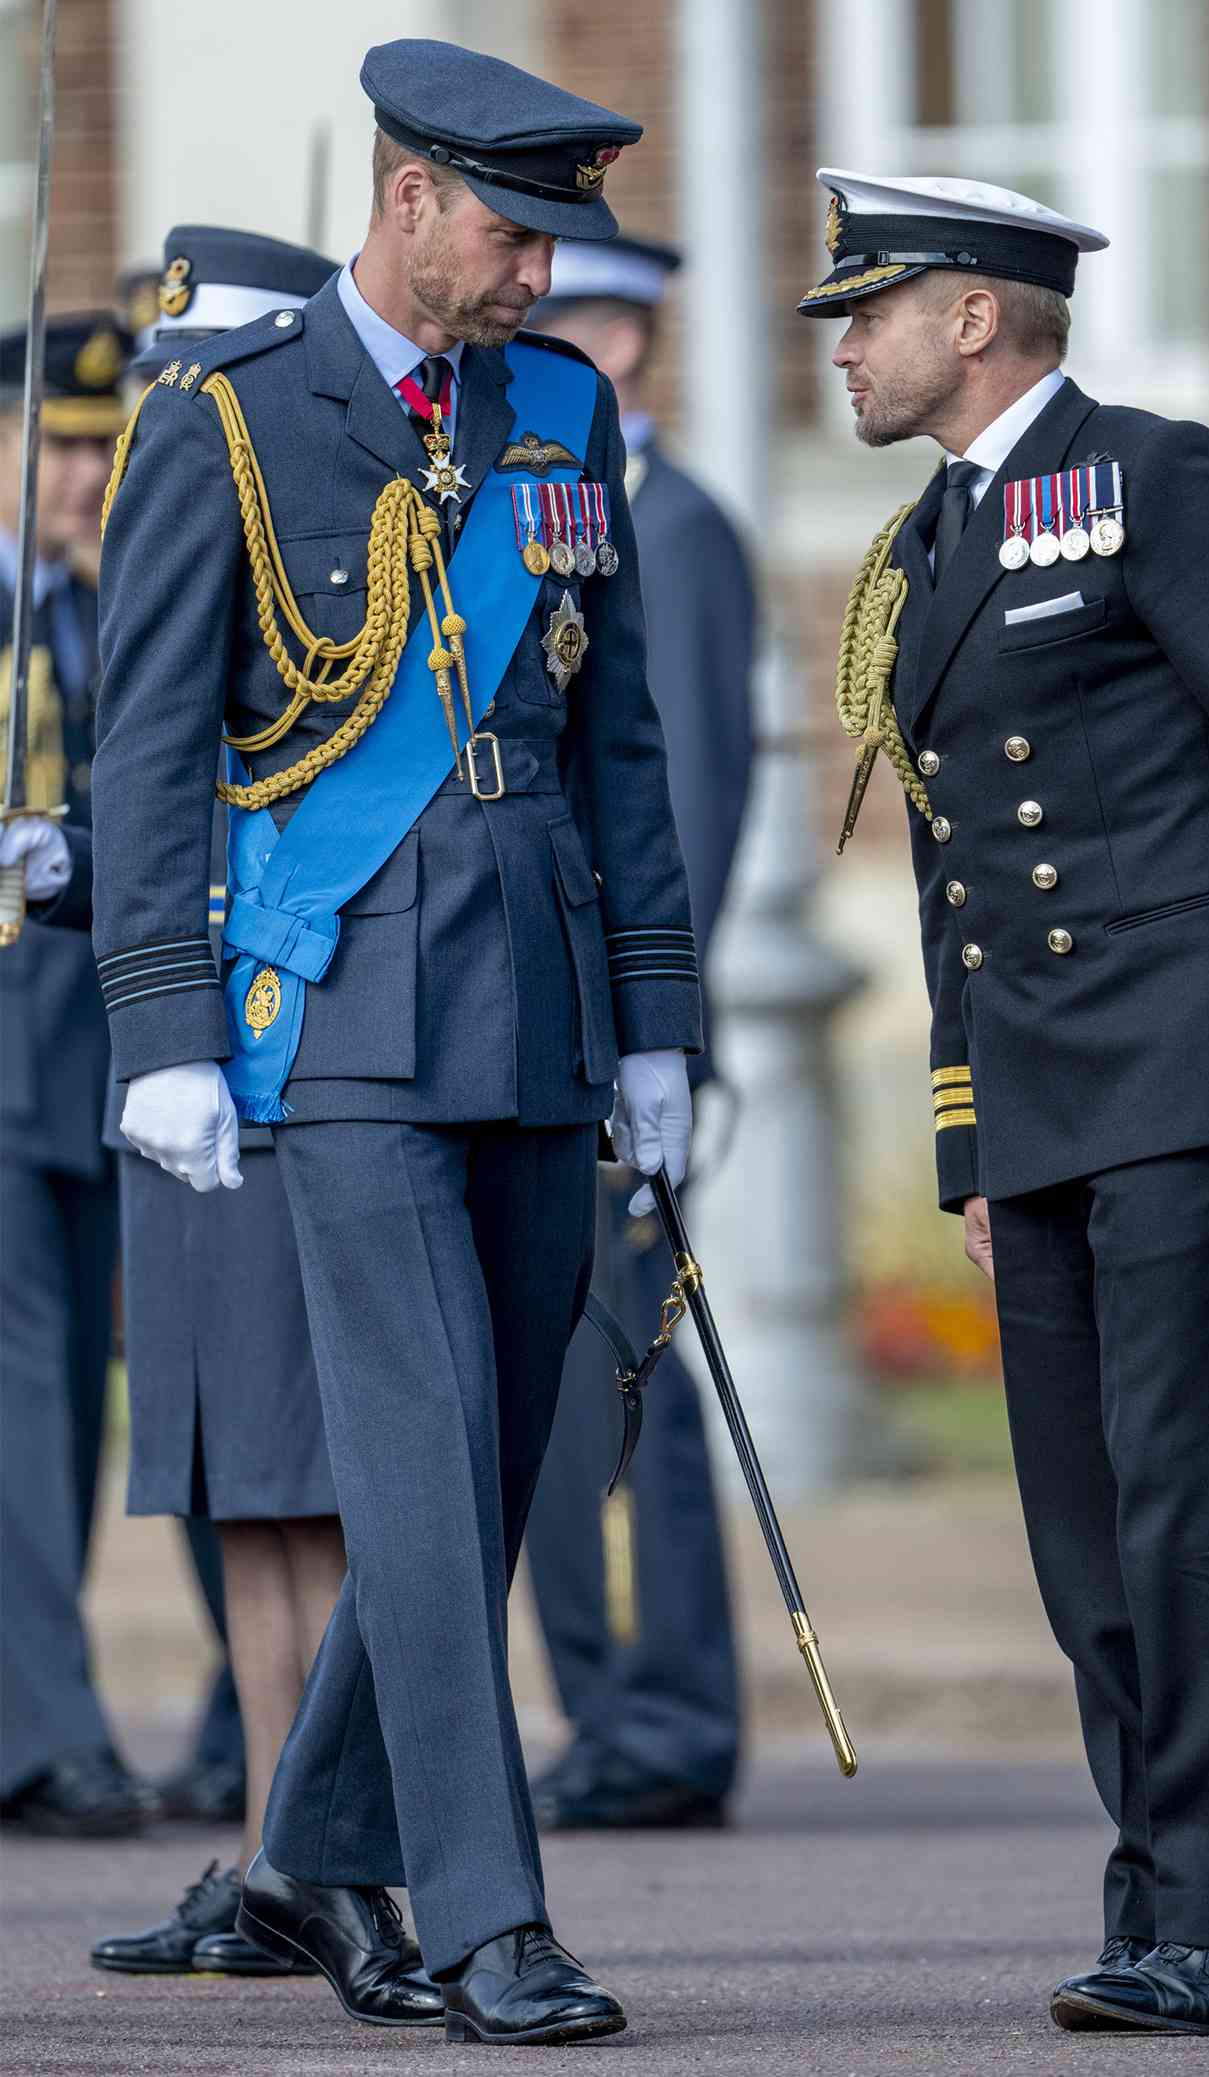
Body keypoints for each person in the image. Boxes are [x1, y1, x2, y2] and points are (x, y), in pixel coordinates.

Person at [90, 38, 700, 2048]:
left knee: (499, 1459)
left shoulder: (562, 416)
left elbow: (619, 744)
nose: (543, 277)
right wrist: (165, 1029)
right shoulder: (234, 427)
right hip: (339, 1008)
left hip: (541, 1005)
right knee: (419, 1456)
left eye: (557, 244)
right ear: (412, 199)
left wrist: (668, 1023)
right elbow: (153, 749)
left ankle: (301, 1855)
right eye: (518, 236)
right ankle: (490, 1919)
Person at [802, 169, 1209, 2036]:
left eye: (871, 309)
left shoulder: (1159, 479)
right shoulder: (918, 552)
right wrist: (967, 1131)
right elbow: (948, 873)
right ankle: (1174, 1888)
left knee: (1195, 1514)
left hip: (1191, 1070)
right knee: (1082, 1538)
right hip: (1045, 1097)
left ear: (977, 314)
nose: (843, 346)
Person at [87, 227, 345, 1981]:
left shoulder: (311, 494)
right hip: (188, 1032)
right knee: (245, 1486)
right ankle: (275, 1845)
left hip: (289, 1027)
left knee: (318, 1487)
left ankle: (337, 1844)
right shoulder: (199, 480)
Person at [523, 234, 751, 1833]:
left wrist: (647, 1021)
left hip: (629, 1027)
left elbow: (696, 795)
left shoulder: (676, 524)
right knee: (559, 1378)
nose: (574, 355)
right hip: (548, 1019)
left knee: (636, 1378)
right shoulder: (559, 511)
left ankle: (665, 1708)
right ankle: (605, 1699)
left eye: (595, 328)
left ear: (639, 344)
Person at [0, 311, 159, 1838]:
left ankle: (38, 1718)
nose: (81, 473)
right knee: (22, 1396)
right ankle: (45, 1734)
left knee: (71, 1415)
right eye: (54, 442)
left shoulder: (96, 610)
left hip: (89, 1054)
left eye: (103, 448)